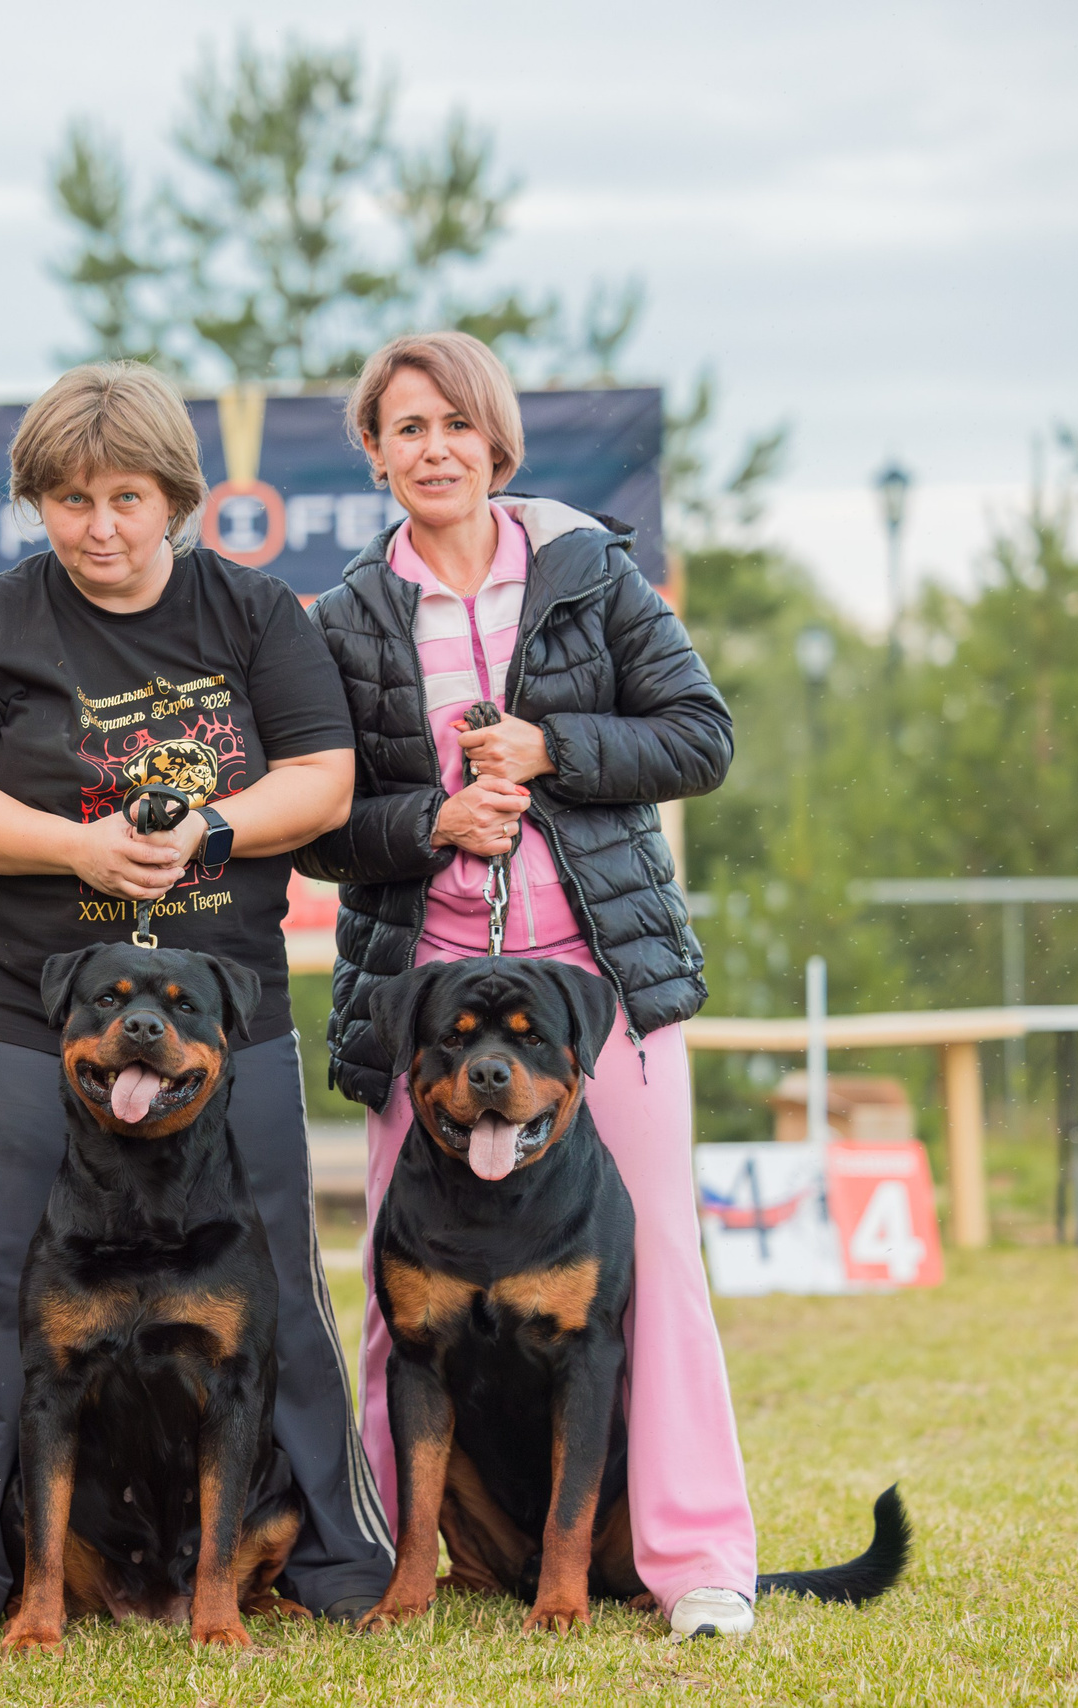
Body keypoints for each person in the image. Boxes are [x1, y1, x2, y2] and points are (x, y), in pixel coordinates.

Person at [0, 360, 391, 1638]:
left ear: (176, 496)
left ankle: (333, 1557)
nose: (99, 526)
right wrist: (81, 846)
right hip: (20, 1007)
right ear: (35, 504)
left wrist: (207, 834)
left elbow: (325, 778)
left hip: (225, 1015)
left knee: (273, 1273)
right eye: (67, 500)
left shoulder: (253, 615)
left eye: (125, 496)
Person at [297, 329, 752, 1638]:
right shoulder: (347, 619)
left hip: (597, 975)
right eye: (403, 428)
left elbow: (700, 737)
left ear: (496, 442)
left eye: (453, 424)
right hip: (423, 989)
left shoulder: (590, 576)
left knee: (656, 1268)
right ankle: (389, 1559)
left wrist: (555, 746)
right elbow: (327, 825)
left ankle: (699, 1561)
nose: (431, 447)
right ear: (374, 456)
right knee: (400, 1295)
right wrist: (430, 825)